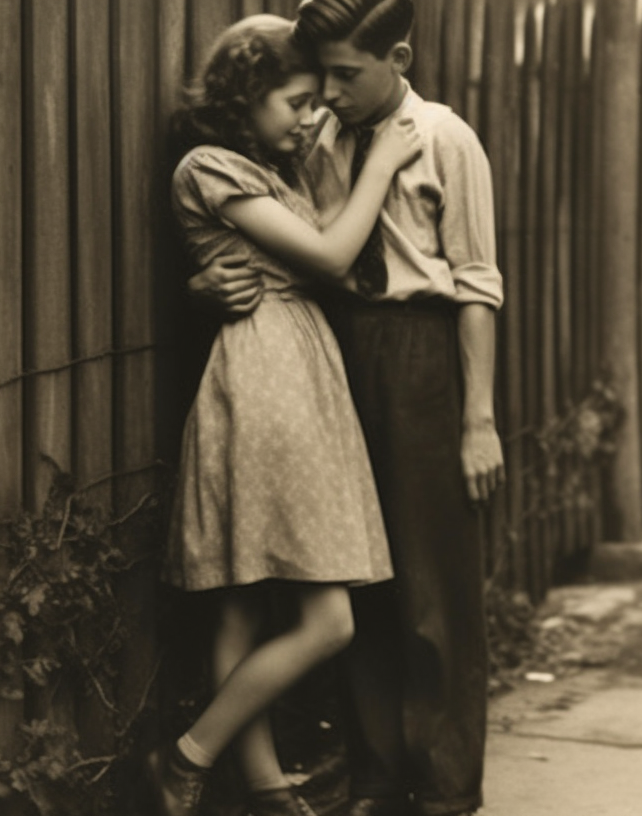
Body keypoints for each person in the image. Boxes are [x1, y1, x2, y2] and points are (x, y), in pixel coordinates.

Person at [188, 2, 506, 814]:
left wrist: (478, 419)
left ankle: (440, 786)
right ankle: (374, 774)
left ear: (396, 58)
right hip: (336, 352)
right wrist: (205, 282)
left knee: (435, 581)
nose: (328, 94)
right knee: (357, 575)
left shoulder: (444, 138)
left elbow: (476, 286)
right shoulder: (315, 137)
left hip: (422, 351)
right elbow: (269, 246)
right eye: (319, 77)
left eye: (345, 75)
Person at [148, 14, 425, 816]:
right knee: (326, 619)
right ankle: (188, 758)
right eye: (297, 101)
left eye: (317, 101)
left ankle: (261, 786)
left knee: (246, 597)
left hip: (296, 368)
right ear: (245, 97)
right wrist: (382, 166)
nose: (313, 117)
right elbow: (333, 257)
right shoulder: (210, 167)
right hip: (266, 377)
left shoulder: (271, 167)